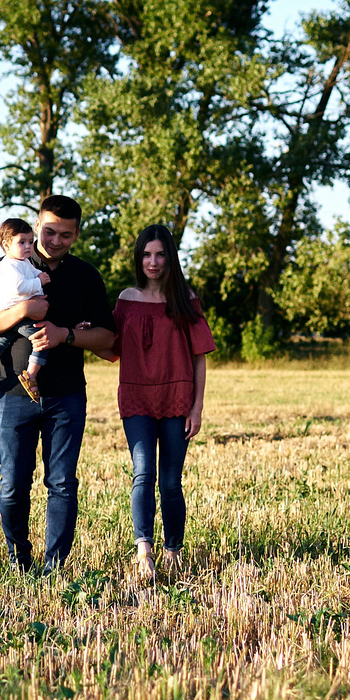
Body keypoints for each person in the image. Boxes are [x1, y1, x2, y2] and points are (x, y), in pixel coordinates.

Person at [0, 195, 116, 572]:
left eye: (65, 234)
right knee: (13, 485)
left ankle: (55, 569)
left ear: (76, 234)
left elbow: (107, 339)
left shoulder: (85, 276)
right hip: (13, 393)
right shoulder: (10, 263)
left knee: (63, 483)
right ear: (36, 226)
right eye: (49, 231)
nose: (54, 240)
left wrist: (64, 334)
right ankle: (19, 560)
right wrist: (23, 311)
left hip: (66, 395)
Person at [113, 223, 213, 582]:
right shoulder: (126, 299)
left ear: (170, 257)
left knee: (170, 481)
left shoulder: (185, 299)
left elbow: (200, 356)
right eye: (146, 255)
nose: (152, 262)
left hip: (177, 399)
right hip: (137, 396)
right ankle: (144, 550)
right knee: (143, 473)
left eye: (159, 254)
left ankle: (173, 551)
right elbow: (110, 345)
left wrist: (197, 407)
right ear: (138, 258)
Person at [0, 217, 51, 400]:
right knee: (41, 340)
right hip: (15, 312)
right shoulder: (10, 266)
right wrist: (39, 282)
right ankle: (31, 375)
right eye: (22, 242)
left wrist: (38, 275)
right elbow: (20, 287)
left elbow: (32, 272)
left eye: (30, 242)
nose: (28, 246)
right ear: (6, 245)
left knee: (1, 341)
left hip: (9, 313)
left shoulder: (21, 262)